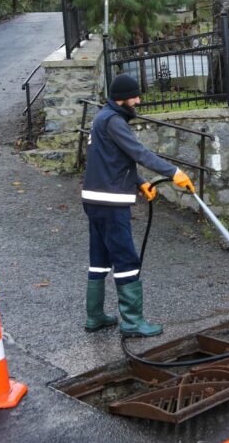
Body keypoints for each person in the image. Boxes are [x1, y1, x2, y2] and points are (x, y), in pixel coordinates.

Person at [81, 74, 195, 337]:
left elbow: (112, 159)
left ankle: (94, 316)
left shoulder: (101, 119)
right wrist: (174, 171)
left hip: (94, 200)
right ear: (121, 98)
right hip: (112, 203)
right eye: (134, 96)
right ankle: (133, 322)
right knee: (126, 259)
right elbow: (139, 152)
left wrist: (140, 181)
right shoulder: (115, 122)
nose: (138, 101)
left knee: (99, 258)